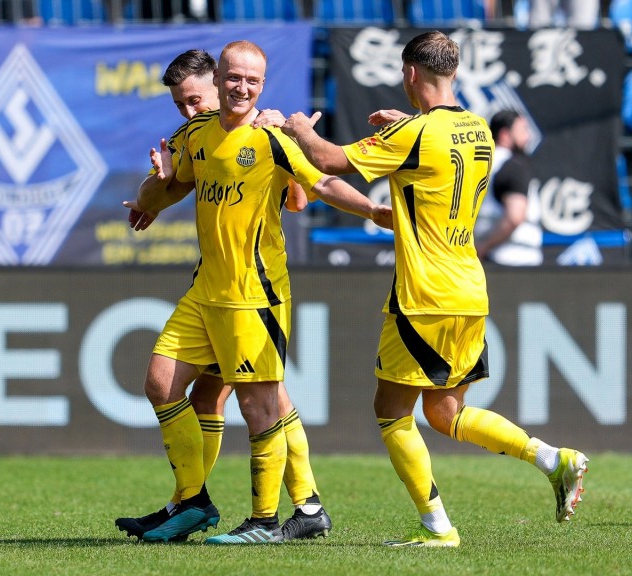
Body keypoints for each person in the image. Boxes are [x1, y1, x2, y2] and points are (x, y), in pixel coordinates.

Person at [280, 30, 587, 548]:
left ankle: (437, 527)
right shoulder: (480, 130)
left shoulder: (417, 134)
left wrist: (295, 130)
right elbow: (438, 161)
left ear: (411, 74)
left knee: (390, 410)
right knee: (446, 413)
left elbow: (329, 160)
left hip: (424, 293)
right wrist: (407, 130)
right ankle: (552, 458)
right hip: (469, 287)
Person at [120, 40, 390, 544]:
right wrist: (154, 189)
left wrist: (374, 213)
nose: (239, 88)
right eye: (234, 79)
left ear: (256, 86)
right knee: (162, 383)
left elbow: (318, 188)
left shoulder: (271, 136)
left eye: (251, 81)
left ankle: (267, 518)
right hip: (207, 290)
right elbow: (165, 187)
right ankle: (196, 500)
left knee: (260, 402)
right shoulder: (195, 136)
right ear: (221, 78)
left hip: (253, 293)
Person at [474, 109, 543, 266]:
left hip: (489, 260)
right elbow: (515, 216)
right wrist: (484, 246)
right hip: (513, 261)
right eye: (523, 130)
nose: (528, 137)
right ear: (505, 135)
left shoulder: (481, 164)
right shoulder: (513, 166)